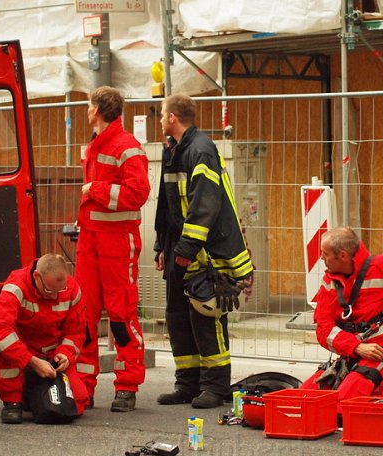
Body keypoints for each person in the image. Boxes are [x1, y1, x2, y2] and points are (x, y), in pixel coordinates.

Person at [154, 94, 254, 409]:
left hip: (205, 252)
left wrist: (185, 248)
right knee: (178, 317)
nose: (159, 120)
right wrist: (162, 244)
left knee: (206, 317)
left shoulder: (201, 150)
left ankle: (215, 386)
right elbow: (165, 202)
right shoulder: (172, 149)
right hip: (179, 248)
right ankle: (188, 384)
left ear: (172, 117)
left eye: (160, 114)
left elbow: (205, 205)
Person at [299, 227, 383, 411]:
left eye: (325, 254)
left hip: (378, 355)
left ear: (343, 256)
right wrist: (355, 347)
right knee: (303, 399)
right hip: (350, 354)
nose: (322, 259)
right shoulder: (329, 280)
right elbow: (323, 328)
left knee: (341, 406)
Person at [74, 86, 150, 412]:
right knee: (84, 316)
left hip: (118, 242)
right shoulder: (95, 145)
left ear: (97, 110)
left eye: (89, 106)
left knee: (121, 316)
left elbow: (137, 193)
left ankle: (127, 386)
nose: (86, 111)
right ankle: (83, 386)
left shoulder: (127, 147)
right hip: (90, 240)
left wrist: (97, 189)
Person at [0, 253, 90, 423]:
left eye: (60, 290)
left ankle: (29, 393)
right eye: (49, 290)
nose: (55, 296)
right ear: (37, 277)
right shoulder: (17, 285)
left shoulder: (72, 289)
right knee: (0, 342)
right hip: (20, 351)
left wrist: (66, 354)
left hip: (50, 353)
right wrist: (30, 361)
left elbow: (76, 332)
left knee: (78, 402)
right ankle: (12, 400)